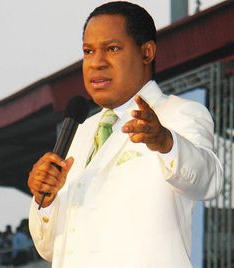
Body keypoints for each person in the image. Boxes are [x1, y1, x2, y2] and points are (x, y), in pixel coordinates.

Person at [28, 1, 223, 267]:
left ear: (146, 52)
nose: (96, 62)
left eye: (112, 48)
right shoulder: (80, 132)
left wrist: (166, 143)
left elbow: (208, 180)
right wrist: (45, 201)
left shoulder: (179, 114)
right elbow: (49, 249)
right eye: (88, 51)